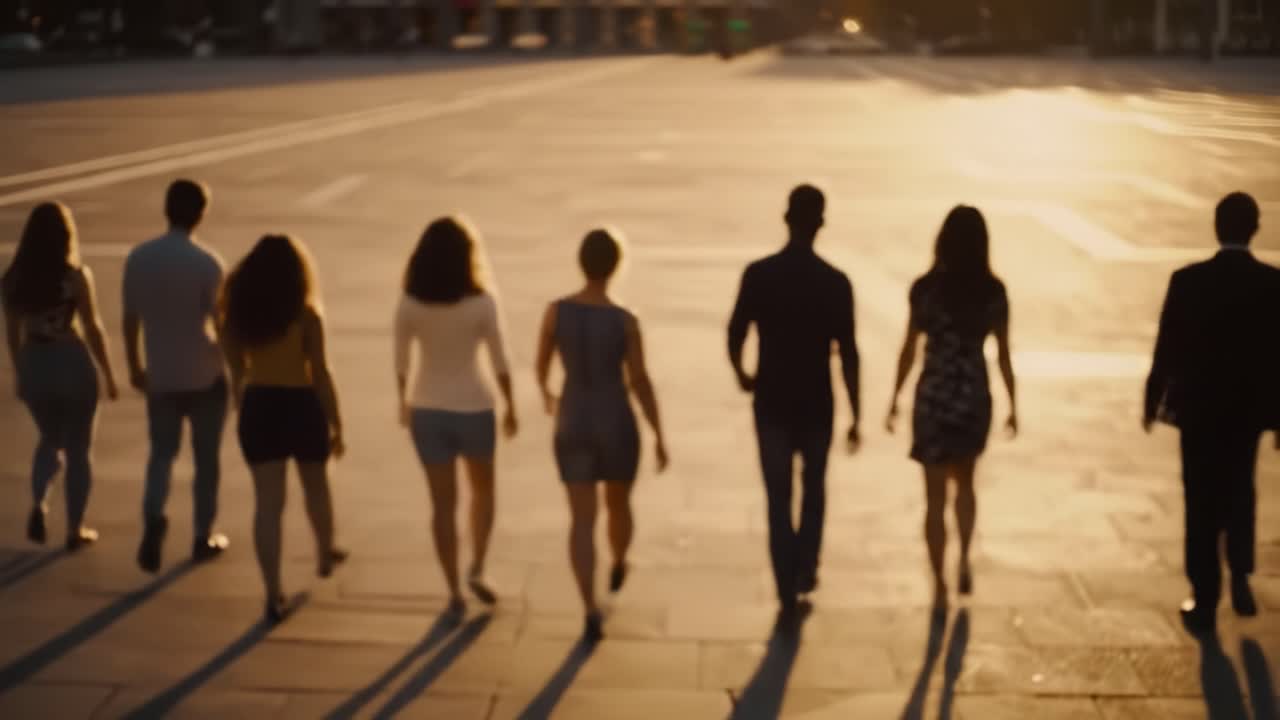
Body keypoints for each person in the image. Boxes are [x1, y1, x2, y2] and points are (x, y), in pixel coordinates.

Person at [1144, 192, 1280, 636]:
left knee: (1199, 499)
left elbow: (1166, 346)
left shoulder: (1187, 281)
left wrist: (1152, 397)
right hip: (1246, 411)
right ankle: (1240, 574)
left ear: (1217, 226)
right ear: (1254, 229)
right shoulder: (1273, 284)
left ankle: (1204, 595)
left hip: (1199, 409)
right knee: (1241, 488)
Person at [728, 185, 861, 623]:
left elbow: (735, 332)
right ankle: (806, 565)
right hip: (817, 403)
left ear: (786, 219)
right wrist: (857, 412)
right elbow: (849, 353)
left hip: (772, 401)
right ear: (820, 224)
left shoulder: (759, 274)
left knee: (777, 496)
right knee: (815, 491)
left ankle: (786, 580)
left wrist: (743, 373)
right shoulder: (835, 282)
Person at [536, 228, 668, 641]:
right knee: (619, 504)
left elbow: (541, 365)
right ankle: (620, 558)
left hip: (574, 415)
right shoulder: (625, 320)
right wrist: (659, 432)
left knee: (581, 518)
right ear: (616, 266)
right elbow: (640, 379)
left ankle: (588, 604)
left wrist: (547, 394)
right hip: (615, 418)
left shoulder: (556, 312)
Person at [886, 205, 1016, 616]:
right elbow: (1004, 355)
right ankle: (963, 559)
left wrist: (894, 396)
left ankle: (939, 583)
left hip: (934, 395)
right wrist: (1015, 403)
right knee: (967, 484)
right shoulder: (993, 291)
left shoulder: (925, 289)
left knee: (934, 497)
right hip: (973, 394)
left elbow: (909, 348)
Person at [220, 234, 347, 623]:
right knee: (316, 486)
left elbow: (237, 369)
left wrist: (243, 403)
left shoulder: (238, 315)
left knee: (268, 505)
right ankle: (325, 551)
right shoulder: (307, 315)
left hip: (260, 404)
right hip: (301, 404)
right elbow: (321, 372)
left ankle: (272, 591)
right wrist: (337, 421)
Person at [394, 217, 517, 617]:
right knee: (483, 491)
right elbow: (499, 359)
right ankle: (478, 567)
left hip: (427, 408)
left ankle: (452, 592)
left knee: (441, 504)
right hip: (475, 406)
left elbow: (401, 360)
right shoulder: (482, 302)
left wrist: (402, 402)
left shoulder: (410, 302)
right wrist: (511, 404)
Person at [123, 179, 230, 573]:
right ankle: (203, 534)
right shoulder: (207, 263)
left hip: (161, 374)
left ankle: (154, 517)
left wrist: (135, 366)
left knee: (161, 455)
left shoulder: (139, 257)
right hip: (204, 375)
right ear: (201, 213)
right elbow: (221, 324)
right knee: (206, 461)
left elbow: (130, 319)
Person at [3, 202, 118, 550]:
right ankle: (75, 527)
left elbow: (12, 333)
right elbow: (93, 327)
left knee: (50, 439)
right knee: (80, 449)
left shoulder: (13, 280)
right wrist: (109, 373)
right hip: (71, 360)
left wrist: (21, 371)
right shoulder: (76, 276)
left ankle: (39, 502)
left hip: (36, 360)